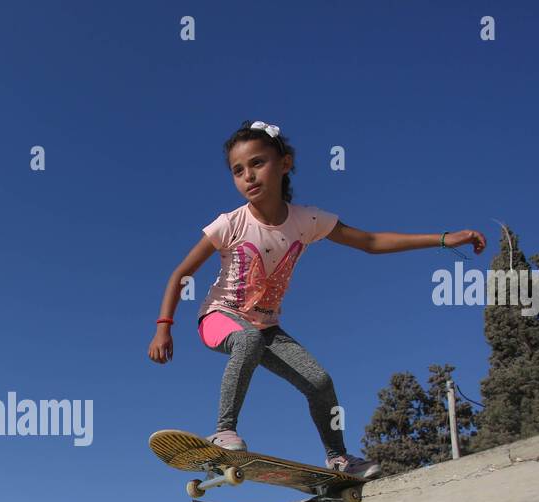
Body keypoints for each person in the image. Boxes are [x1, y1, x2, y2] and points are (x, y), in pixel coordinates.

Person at [147, 120, 486, 476]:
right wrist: (163, 327)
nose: (248, 176)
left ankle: (339, 458)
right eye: (238, 170)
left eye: (257, 163)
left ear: (285, 164)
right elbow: (180, 274)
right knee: (247, 339)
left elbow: (370, 242)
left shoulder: (307, 220)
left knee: (319, 382)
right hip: (219, 318)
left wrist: (444, 239)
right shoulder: (228, 224)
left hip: (266, 327)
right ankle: (224, 431)